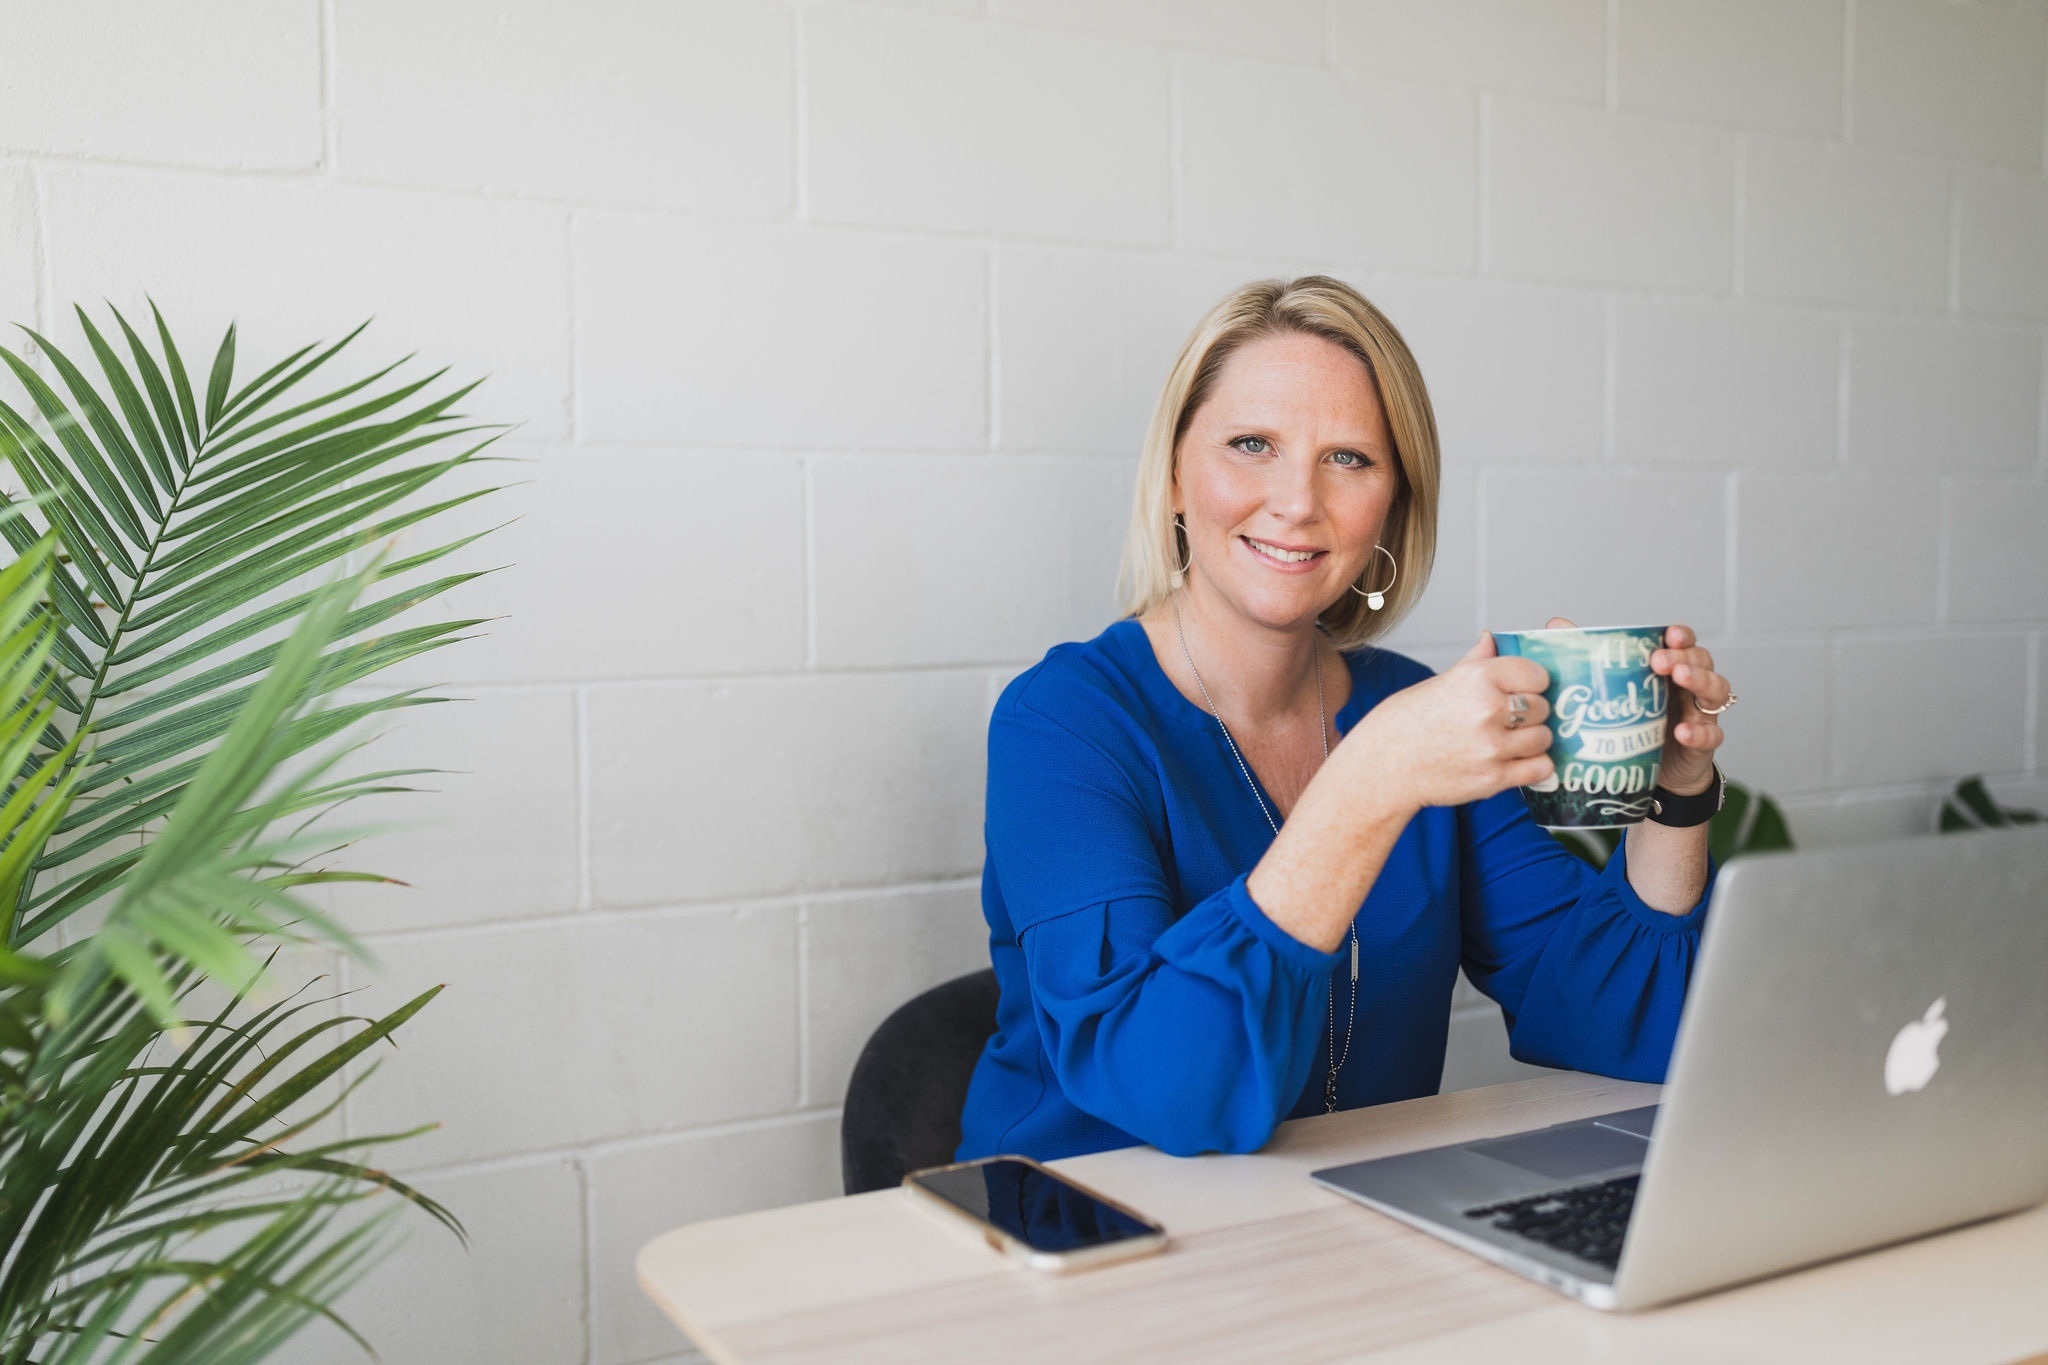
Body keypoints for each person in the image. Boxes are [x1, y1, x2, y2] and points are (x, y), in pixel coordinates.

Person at [956, 276, 1737, 1164]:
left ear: (1392, 506)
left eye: (1349, 458)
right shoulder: (1063, 723)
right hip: (1084, 1218)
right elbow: (1163, 1088)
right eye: (1252, 444)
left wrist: (1676, 797)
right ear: (1174, 476)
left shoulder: (1414, 714)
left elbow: (1621, 1032)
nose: (1298, 500)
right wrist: (1375, 778)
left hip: (1341, 1214)